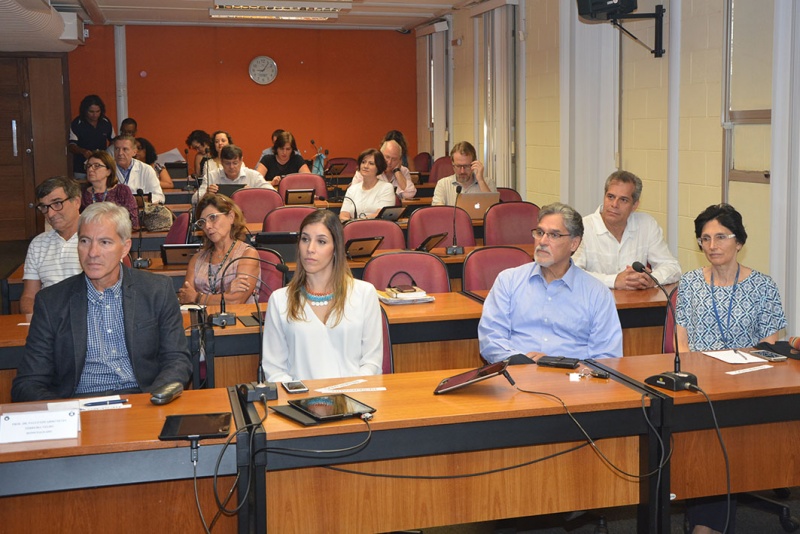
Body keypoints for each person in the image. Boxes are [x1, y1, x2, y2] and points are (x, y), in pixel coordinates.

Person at [676, 204, 787, 534]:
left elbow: (770, 348)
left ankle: (705, 525)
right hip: (700, 387)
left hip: (747, 386)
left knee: (717, 440)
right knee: (708, 437)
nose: (712, 245)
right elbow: (682, 341)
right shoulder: (691, 282)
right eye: (705, 238)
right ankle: (707, 521)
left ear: (739, 241)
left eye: (721, 237)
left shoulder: (763, 286)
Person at [11, 202, 192, 402]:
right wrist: (65, 413)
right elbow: (28, 382)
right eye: (85, 241)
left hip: (142, 399)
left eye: (105, 242)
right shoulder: (51, 301)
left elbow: (177, 360)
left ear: (125, 248)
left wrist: (153, 399)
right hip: (77, 404)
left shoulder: (157, 290)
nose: (92, 253)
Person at [479, 202, 623, 363]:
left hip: (573, 382)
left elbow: (608, 357)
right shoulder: (508, 281)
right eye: (540, 232)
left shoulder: (597, 293)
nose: (542, 241)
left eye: (554, 235)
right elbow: (490, 340)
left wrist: (557, 364)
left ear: (574, 243)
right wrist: (520, 362)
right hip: (517, 375)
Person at [262, 209, 383, 382]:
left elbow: (372, 363)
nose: (310, 249)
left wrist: (344, 398)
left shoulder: (365, 293)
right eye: (305, 239)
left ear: (335, 248)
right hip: (299, 404)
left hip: (355, 400)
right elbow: (274, 370)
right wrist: (303, 400)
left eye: (321, 241)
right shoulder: (280, 300)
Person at [573, 170, 681, 289]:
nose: (614, 204)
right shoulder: (582, 227)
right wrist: (613, 281)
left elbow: (673, 268)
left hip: (637, 304)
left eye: (623, 200)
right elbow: (572, 273)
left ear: (635, 205)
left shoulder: (647, 225)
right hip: (592, 305)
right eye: (610, 197)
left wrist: (652, 279)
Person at [178, 193, 260, 306]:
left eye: (212, 218)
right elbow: (185, 297)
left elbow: (236, 301)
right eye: (202, 222)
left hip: (237, 321)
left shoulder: (247, 254)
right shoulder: (197, 258)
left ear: (231, 217)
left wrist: (197, 297)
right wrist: (226, 293)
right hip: (201, 322)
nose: (207, 226)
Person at [20, 177, 83, 314]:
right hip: (49, 322)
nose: (50, 213)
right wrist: (39, 323)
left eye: (57, 203)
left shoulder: (97, 238)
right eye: (44, 207)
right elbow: (29, 297)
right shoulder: (38, 244)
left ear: (76, 202)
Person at [193, 144, 273, 203]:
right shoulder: (211, 176)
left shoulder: (253, 176)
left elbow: (273, 194)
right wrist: (206, 194)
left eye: (235, 163)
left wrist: (253, 193)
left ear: (241, 161)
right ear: (221, 162)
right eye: (227, 163)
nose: (231, 167)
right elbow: (194, 200)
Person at [80, 150, 139, 228]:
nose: (90, 169)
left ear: (109, 171)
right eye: (88, 166)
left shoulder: (121, 191)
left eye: (96, 165)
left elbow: (133, 221)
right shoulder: (82, 194)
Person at [431, 141, 496, 206]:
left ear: (474, 164)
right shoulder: (443, 184)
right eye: (458, 166)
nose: (462, 171)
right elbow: (437, 211)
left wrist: (481, 181)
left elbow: (494, 211)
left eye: (466, 166)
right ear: (453, 165)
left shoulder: (488, 183)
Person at [339, 148, 396, 221]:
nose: (365, 166)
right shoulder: (352, 189)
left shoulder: (386, 188)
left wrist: (358, 221)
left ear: (378, 167)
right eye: (363, 162)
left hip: (377, 229)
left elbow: (381, 215)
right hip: (354, 229)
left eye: (371, 163)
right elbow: (343, 215)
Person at [350, 139, 417, 199]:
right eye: (387, 157)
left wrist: (397, 171)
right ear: (380, 155)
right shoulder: (366, 170)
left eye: (394, 159)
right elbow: (354, 194)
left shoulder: (403, 171)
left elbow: (410, 194)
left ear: (400, 160)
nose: (389, 162)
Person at [68, 95, 114, 179]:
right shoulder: (77, 123)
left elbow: (113, 141)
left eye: (97, 111)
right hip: (81, 168)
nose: (95, 115)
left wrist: (107, 154)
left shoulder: (105, 122)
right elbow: (71, 145)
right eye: (91, 112)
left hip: (102, 166)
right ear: (85, 111)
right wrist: (83, 151)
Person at [113, 135, 165, 203]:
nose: (120, 153)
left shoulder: (146, 169)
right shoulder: (106, 169)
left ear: (134, 152)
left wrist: (138, 201)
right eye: (117, 149)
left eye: (125, 149)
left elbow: (159, 196)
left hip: (141, 211)